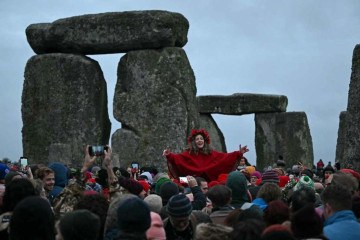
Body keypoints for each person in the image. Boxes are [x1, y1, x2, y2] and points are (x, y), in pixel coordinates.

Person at [163, 129, 249, 182]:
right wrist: (169, 155)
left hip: (208, 183)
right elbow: (177, 158)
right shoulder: (188, 153)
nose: (199, 140)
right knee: (180, 182)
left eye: (201, 139)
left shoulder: (211, 153)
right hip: (191, 183)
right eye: (197, 139)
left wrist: (239, 153)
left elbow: (225, 157)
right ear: (194, 142)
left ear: (205, 141)